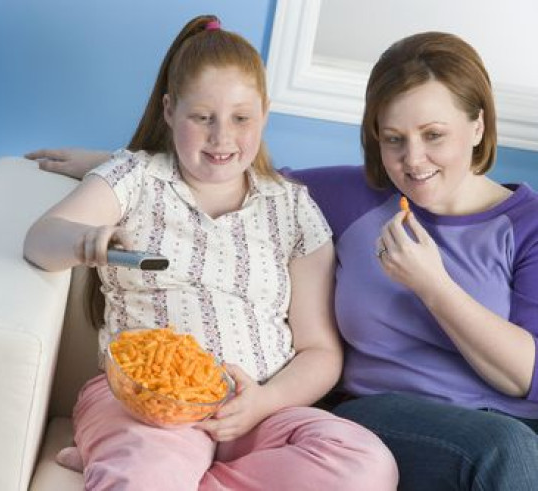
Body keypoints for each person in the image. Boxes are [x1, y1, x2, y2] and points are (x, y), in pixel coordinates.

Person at [27, 30, 538, 490]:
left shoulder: (525, 223)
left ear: (477, 126)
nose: (413, 160)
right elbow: (220, 174)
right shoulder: (353, 194)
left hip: (504, 422)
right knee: (505, 449)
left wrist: (435, 286)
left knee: (484, 450)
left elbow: (525, 377)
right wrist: (112, 167)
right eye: (393, 140)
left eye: (434, 135)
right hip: (398, 414)